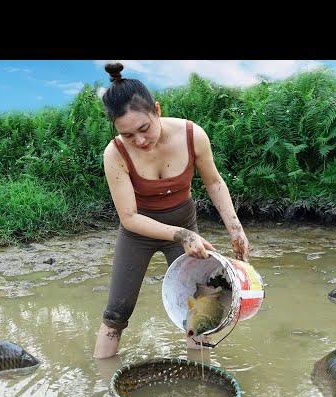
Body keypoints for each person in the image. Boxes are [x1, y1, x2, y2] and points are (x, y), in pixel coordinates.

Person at [93, 62, 251, 359]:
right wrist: (182, 235)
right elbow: (129, 218)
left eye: (144, 128)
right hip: (138, 234)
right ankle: (102, 382)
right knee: (117, 311)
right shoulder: (114, 154)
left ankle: (199, 379)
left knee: (200, 305)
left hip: (184, 223)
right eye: (128, 135)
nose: (140, 140)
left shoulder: (192, 135)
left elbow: (214, 182)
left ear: (157, 109)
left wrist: (236, 229)